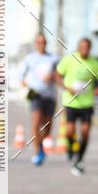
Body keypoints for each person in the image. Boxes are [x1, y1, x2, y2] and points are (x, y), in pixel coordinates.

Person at [55, 38, 98, 176]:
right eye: (82, 46)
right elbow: (58, 75)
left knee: (85, 132)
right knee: (70, 131)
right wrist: (66, 88)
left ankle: (79, 158)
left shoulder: (94, 63)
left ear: (90, 48)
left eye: (87, 47)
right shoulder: (69, 60)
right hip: (71, 102)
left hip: (87, 103)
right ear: (78, 47)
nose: (84, 49)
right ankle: (70, 147)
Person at [19, 33, 59, 166]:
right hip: (35, 94)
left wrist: (52, 77)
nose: (42, 44)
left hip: (50, 95)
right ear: (35, 44)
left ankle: (40, 143)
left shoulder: (54, 59)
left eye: (44, 42)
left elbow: (59, 75)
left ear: (46, 43)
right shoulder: (29, 58)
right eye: (39, 42)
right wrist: (25, 83)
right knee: (36, 123)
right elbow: (21, 76)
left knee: (47, 126)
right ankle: (37, 152)